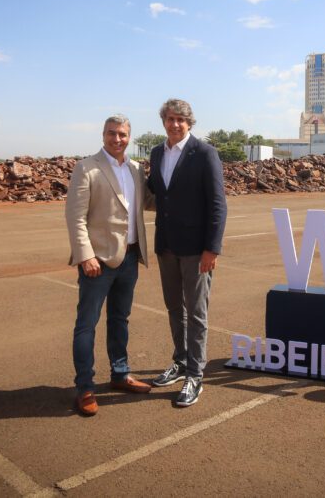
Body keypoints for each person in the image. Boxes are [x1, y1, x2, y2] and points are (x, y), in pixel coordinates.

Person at [65, 114, 153, 416]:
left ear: (130, 137)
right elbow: (75, 217)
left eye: (123, 135)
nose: (117, 139)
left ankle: (120, 373)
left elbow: (150, 202)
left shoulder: (136, 169)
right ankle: (85, 387)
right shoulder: (86, 168)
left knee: (120, 319)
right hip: (98, 261)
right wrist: (85, 255)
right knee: (86, 325)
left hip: (129, 257)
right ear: (103, 135)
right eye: (112, 133)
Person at [147, 98, 227, 407]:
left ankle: (196, 374)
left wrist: (212, 248)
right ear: (163, 122)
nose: (175, 124)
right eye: (170, 119)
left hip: (197, 250)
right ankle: (180, 362)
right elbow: (155, 194)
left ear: (189, 123)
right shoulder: (157, 153)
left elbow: (218, 205)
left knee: (196, 312)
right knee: (173, 308)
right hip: (166, 246)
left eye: (181, 119)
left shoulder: (204, 153)